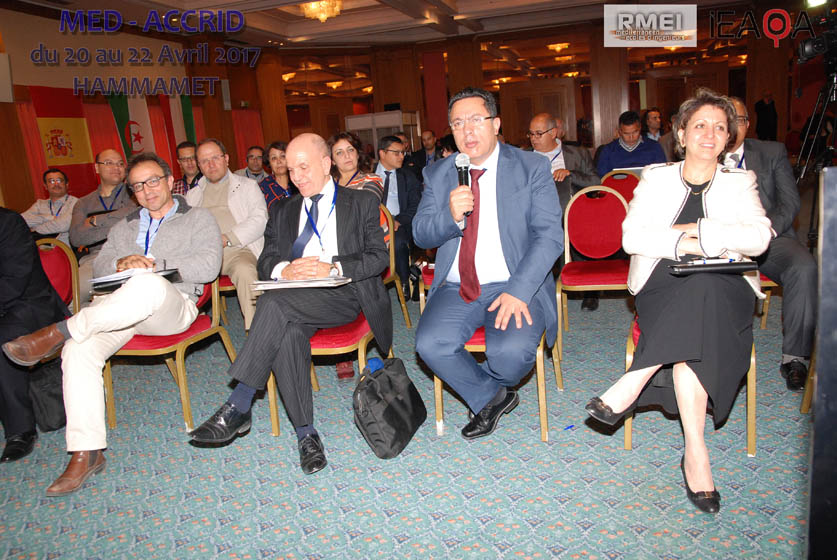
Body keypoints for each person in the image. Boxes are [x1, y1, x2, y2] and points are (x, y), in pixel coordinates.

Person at [584, 89, 773, 514]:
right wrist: (693, 241)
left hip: (726, 287)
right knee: (697, 307)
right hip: (663, 285)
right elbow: (632, 237)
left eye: (720, 127)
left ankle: (637, 377)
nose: (710, 133)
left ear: (728, 138)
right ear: (682, 134)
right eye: (700, 125)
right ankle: (696, 453)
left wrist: (696, 231)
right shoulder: (657, 178)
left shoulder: (740, 181)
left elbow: (760, 238)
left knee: (705, 288)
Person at [3, 152, 222, 496]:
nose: (147, 190)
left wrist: (152, 264)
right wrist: (122, 262)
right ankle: (86, 452)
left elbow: (209, 266)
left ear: (169, 181)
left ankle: (59, 331)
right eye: (138, 186)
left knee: (146, 283)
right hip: (119, 310)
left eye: (153, 181)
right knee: (77, 351)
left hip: (171, 307)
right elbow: (99, 268)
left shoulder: (198, 218)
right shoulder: (124, 227)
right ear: (132, 192)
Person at [189, 133, 392, 475]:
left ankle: (239, 403)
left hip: (343, 294)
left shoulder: (359, 202)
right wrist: (285, 269)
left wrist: (334, 267)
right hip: (294, 296)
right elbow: (266, 260)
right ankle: (306, 435)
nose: (296, 176)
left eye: (304, 167)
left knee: (274, 304)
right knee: (287, 332)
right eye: (290, 168)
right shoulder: (282, 209)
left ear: (326, 164)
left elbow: (378, 258)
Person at [414, 87, 563, 440]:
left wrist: (520, 291)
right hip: (457, 286)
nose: (467, 131)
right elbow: (420, 234)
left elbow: (549, 237)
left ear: (496, 124)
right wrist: (450, 216)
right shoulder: (438, 174)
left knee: (508, 355)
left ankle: (489, 389)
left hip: (515, 281)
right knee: (430, 345)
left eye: (475, 120)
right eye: (457, 123)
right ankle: (491, 396)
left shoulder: (531, 167)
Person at [727, 97, 817, 391]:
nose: (733, 126)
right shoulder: (704, 153)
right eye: (727, 119)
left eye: (739, 119)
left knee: (804, 267)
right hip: (723, 242)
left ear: (748, 124)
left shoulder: (771, 152)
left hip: (770, 237)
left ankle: (795, 359)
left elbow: (790, 203)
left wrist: (764, 232)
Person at [0, 208, 68, 463]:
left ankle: (20, 430)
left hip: (29, 304)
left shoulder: (8, 222)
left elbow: (14, 281)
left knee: (2, 340)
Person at [187, 138, 268, 331]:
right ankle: (186, 328)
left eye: (215, 158)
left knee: (246, 272)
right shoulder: (192, 195)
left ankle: (258, 332)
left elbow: (260, 219)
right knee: (176, 273)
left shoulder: (247, 186)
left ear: (226, 159)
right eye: (204, 161)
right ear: (199, 166)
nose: (211, 164)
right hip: (202, 255)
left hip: (237, 250)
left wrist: (226, 238)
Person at [69, 148, 138, 305]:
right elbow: (77, 238)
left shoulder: (135, 193)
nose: (116, 167)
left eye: (120, 163)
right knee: (71, 297)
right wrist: (119, 220)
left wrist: (95, 220)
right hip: (95, 258)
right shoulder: (83, 203)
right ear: (97, 168)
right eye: (109, 163)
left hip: (129, 253)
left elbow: (133, 216)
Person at [376, 135, 421, 296]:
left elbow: (416, 205)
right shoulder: (367, 174)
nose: (401, 156)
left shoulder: (408, 176)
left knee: (398, 240)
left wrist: (397, 221)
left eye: (403, 152)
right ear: (382, 153)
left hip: (399, 223)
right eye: (396, 153)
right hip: (372, 223)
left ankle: (403, 281)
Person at [527, 112, 599, 213]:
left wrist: (570, 174)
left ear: (553, 133)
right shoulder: (523, 157)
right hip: (534, 213)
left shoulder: (578, 154)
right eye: (531, 134)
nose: (533, 138)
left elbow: (596, 182)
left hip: (569, 212)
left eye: (538, 133)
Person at [596, 111, 666, 177]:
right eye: (626, 134)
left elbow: (662, 173)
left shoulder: (654, 147)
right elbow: (603, 177)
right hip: (617, 185)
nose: (631, 137)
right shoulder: (608, 150)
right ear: (620, 131)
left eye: (635, 132)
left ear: (640, 128)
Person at [21, 168, 79, 245]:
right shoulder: (39, 204)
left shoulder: (76, 202)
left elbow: (62, 225)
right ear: (45, 186)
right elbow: (21, 221)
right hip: (40, 248)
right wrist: (47, 217)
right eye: (51, 181)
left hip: (67, 248)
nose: (56, 184)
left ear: (66, 184)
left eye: (59, 180)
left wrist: (35, 230)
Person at [328, 131, 384, 201]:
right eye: (339, 152)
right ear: (332, 161)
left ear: (358, 154)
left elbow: (367, 204)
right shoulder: (328, 183)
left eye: (350, 150)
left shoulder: (371, 179)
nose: (347, 156)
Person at [259, 141, 295, 209]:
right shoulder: (263, 187)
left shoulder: (298, 181)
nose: (279, 161)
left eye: (283, 156)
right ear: (269, 163)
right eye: (274, 158)